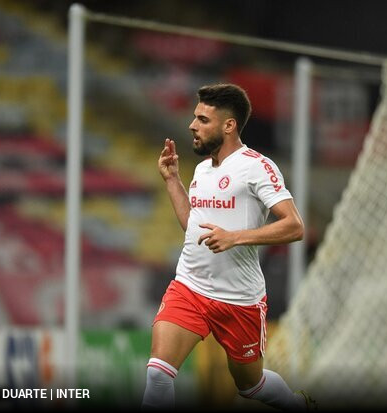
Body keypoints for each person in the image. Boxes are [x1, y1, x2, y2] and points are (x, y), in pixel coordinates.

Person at [141, 83, 316, 411]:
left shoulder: (257, 167)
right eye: (194, 118)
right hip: (189, 287)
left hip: (239, 299)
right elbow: (193, 225)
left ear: (229, 125)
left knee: (251, 386)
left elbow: (294, 225)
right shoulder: (203, 169)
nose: (192, 126)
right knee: (159, 374)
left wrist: (235, 237)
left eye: (202, 119)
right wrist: (171, 180)